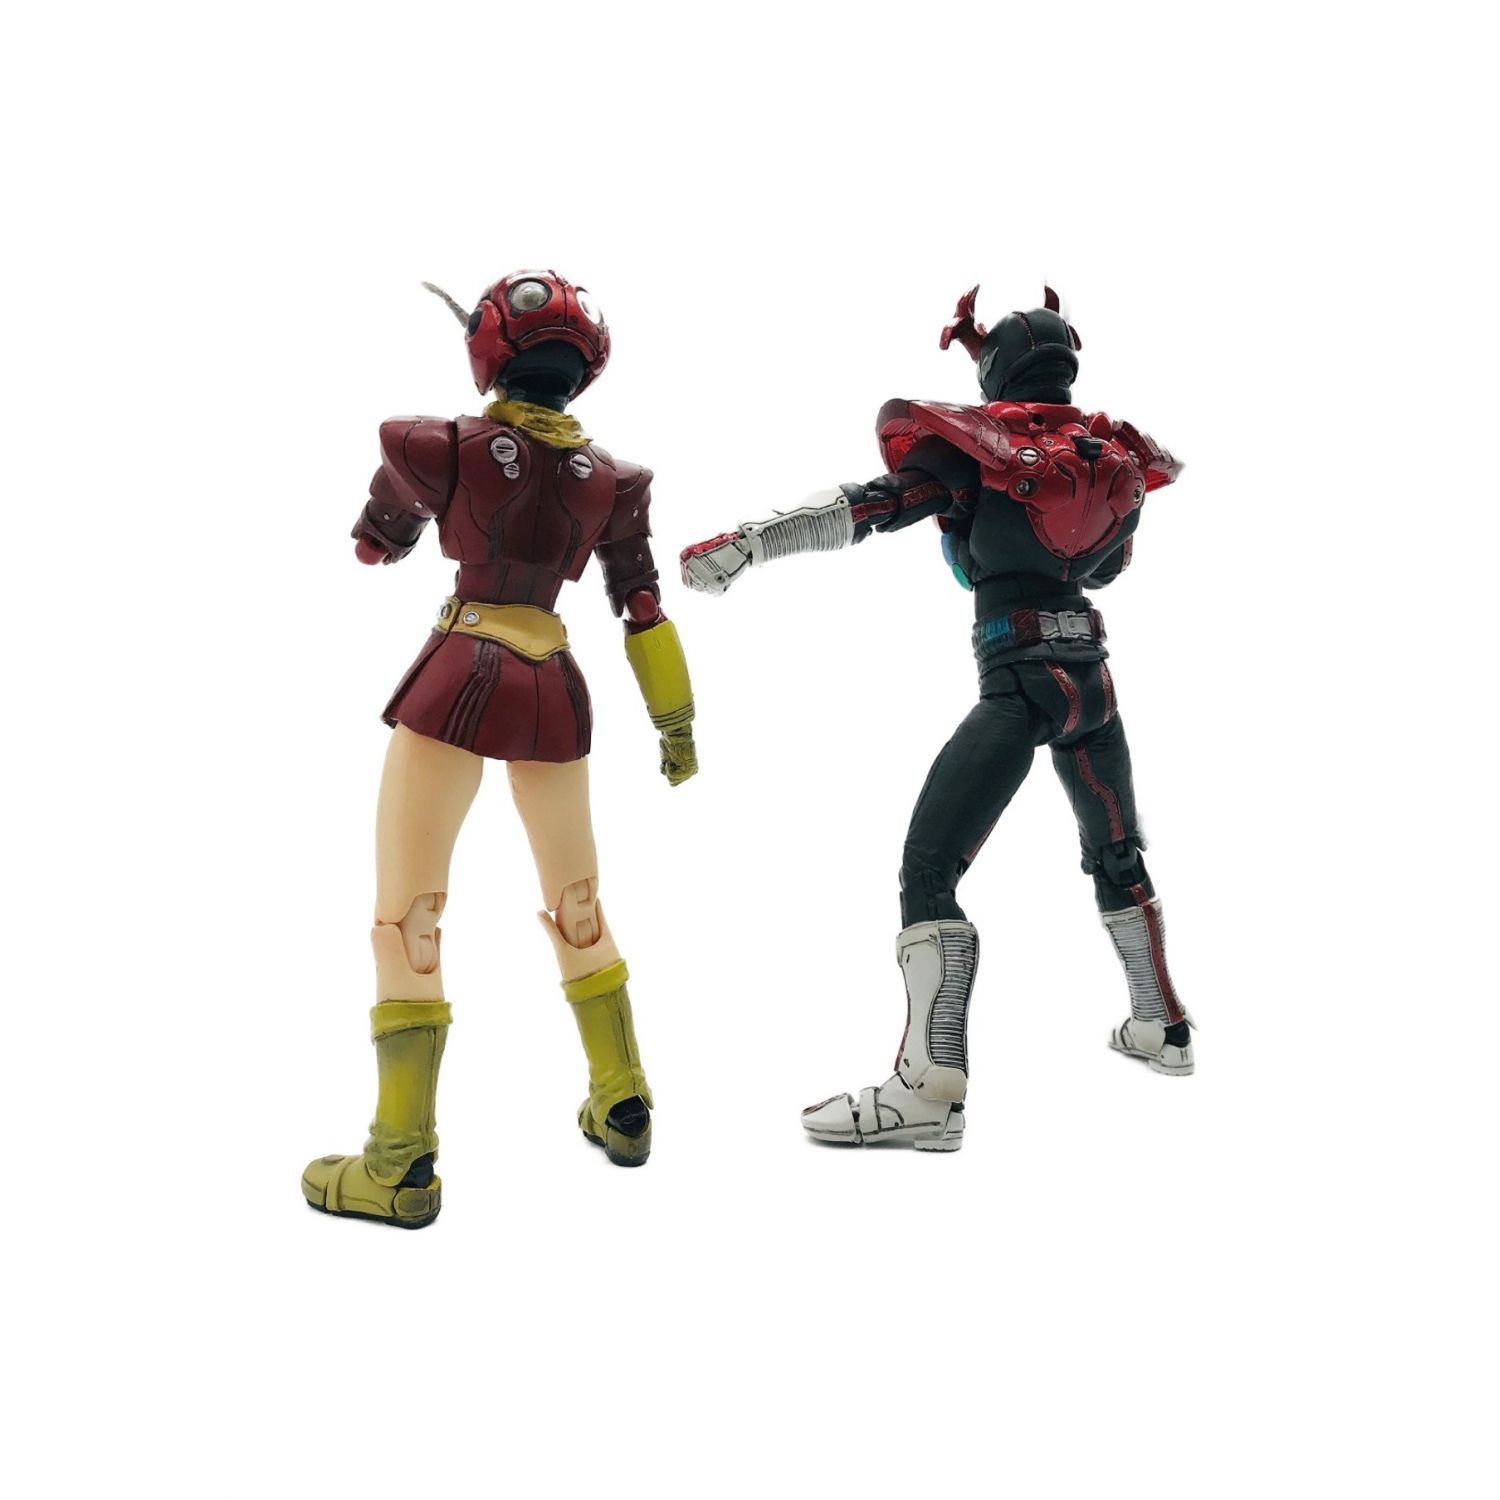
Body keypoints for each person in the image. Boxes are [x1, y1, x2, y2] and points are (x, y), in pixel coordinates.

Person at [681, 286, 1189, 1152]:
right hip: (1092, 683)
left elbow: (875, 506)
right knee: (1117, 855)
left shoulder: (985, 450)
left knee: (929, 871)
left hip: (1019, 684)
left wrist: (750, 542)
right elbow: (1107, 568)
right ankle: (1163, 1026)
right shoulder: (1112, 459)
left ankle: (929, 1088)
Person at [303, 270, 696, 1226]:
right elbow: (642, 604)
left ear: (490, 350)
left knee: (409, 912)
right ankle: (625, 1101)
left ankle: (400, 1161)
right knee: (580, 902)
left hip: (462, 669)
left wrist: (397, 517)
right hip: (554, 681)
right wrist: (676, 721)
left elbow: (376, 544)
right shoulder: (612, 481)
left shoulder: (439, 445)